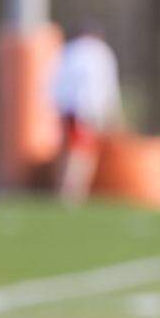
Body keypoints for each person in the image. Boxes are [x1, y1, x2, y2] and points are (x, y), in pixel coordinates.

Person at [50, 22, 122, 205]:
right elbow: (106, 86)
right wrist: (111, 113)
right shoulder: (99, 52)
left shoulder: (68, 50)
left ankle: (64, 190)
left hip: (65, 108)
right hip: (85, 110)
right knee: (81, 153)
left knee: (69, 151)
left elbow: (53, 80)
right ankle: (72, 193)